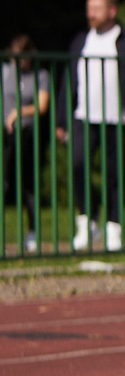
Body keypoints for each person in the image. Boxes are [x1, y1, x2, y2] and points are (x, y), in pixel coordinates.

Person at [61, 0, 125, 253]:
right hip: (83, 117)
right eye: (89, 8)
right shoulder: (80, 40)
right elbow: (69, 81)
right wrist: (61, 119)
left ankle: (113, 227)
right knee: (77, 164)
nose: (91, 14)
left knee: (115, 174)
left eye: (96, 9)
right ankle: (87, 220)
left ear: (112, 10)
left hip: (117, 118)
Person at [3, 34, 50, 250]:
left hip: (27, 133)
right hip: (6, 134)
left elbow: (41, 106)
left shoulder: (40, 75)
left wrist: (18, 112)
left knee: (27, 183)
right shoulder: (6, 72)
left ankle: (32, 232)